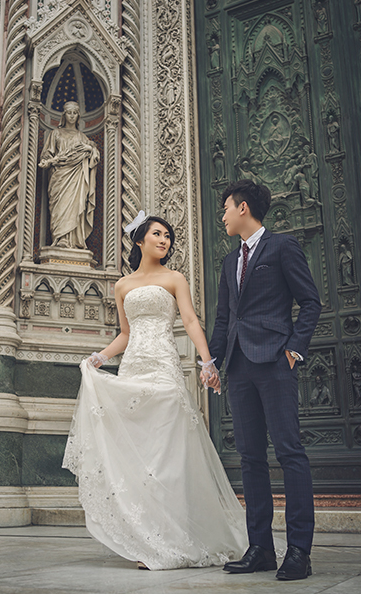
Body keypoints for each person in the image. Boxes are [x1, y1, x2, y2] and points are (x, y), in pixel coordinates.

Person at [63, 212, 247, 570]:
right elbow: (126, 334)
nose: (164, 241)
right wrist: (100, 356)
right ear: (139, 240)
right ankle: (148, 539)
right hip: (134, 368)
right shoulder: (122, 286)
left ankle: (174, 538)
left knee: (168, 456)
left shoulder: (175, 278)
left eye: (168, 236)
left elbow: (190, 320)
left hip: (164, 368)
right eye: (158, 234)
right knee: (142, 456)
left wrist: (207, 361)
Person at [209, 179, 321, 580]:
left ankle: (298, 552)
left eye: (225, 208)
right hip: (238, 368)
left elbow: (310, 302)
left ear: (243, 208)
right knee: (251, 459)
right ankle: (260, 548)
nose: (220, 215)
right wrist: (212, 362)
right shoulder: (227, 262)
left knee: (290, 452)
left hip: (275, 362)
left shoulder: (283, 247)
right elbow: (224, 319)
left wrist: (293, 350)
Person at [39, 101, 99, 249]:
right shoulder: (56, 134)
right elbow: (47, 155)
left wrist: (90, 149)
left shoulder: (82, 137)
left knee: (75, 206)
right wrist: (49, 161)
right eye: (69, 113)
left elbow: (94, 156)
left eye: (74, 113)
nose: (72, 116)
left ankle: (74, 240)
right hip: (60, 177)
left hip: (77, 177)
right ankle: (60, 238)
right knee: (60, 208)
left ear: (78, 116)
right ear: (64, 115)